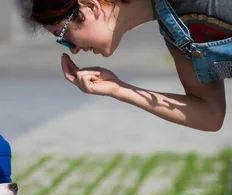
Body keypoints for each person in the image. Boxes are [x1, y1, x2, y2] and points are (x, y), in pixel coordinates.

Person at [19, 0, 232, 132]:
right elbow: (210, 114)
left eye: (63, 35)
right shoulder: (176, 32)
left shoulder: (199, 4)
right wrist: (118, 89)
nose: (73, 49)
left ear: (90, 6)